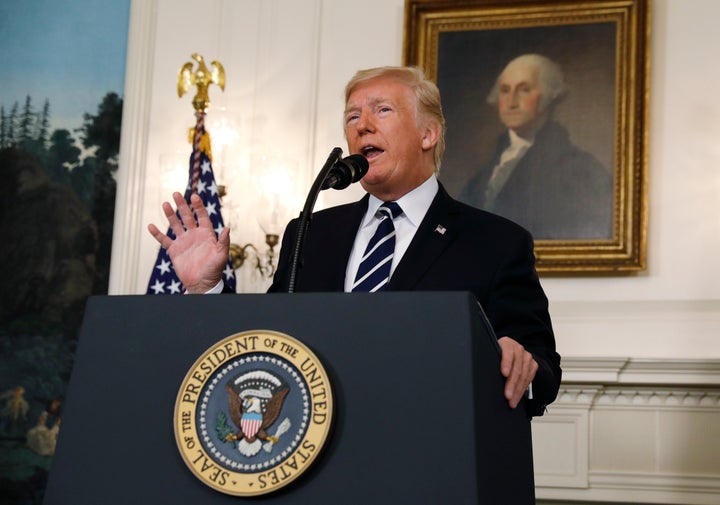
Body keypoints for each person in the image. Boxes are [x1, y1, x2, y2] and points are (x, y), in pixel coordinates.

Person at [148, 66, 561, 417]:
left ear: (428, 134)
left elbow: (543, 374)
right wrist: (206, 289)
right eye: (352, 117)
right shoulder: (309, 232)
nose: (362, 125)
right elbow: (265, 346)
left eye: (382, 110)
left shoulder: (496, 242)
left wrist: (520, 363)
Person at [459, 54, 613, 240]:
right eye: (505, 90)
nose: (512, 102)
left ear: (548, 96)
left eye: (524, 90)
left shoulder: (581, 170)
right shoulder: (482, 176)